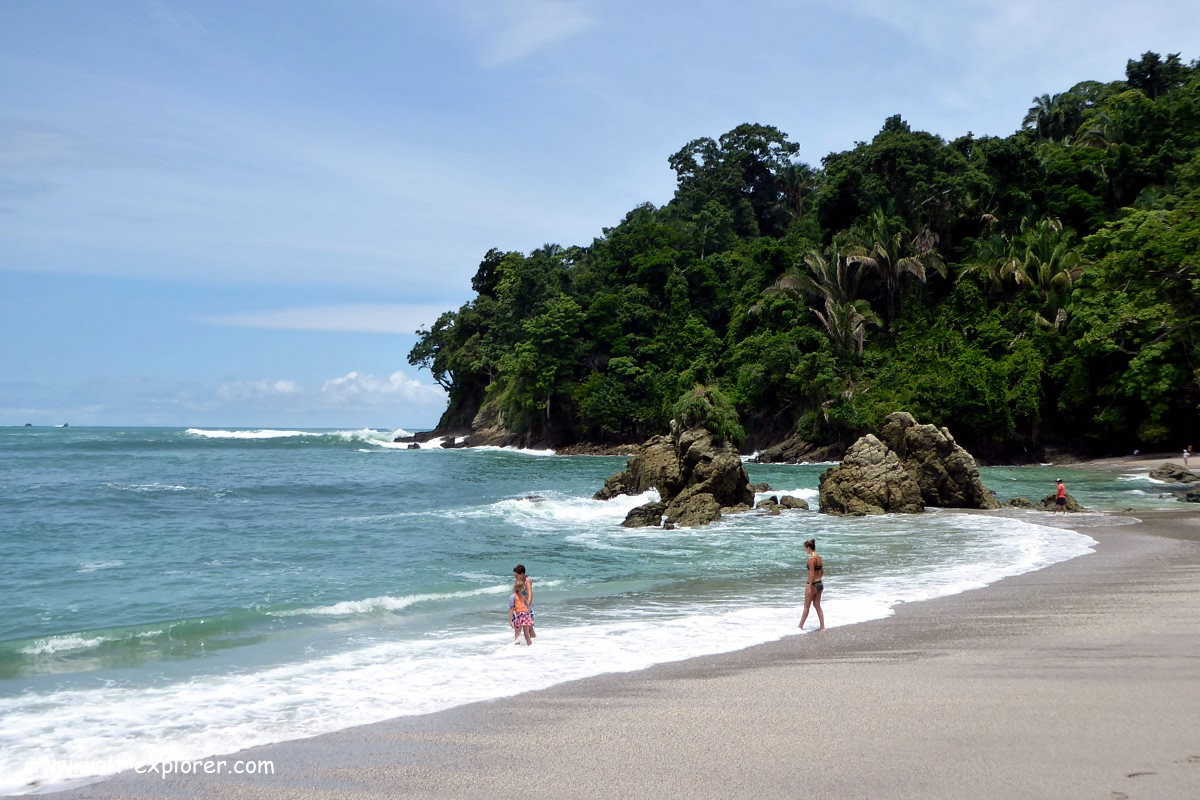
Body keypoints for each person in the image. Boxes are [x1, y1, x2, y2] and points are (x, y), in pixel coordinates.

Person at [797, 538, 825, 632]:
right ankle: (822, 626)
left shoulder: (811, 558)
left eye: (805, 549)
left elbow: (811, 573)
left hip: (813, 584)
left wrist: (809, 586)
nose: (805, 551)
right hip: (820, 584)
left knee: (806, 607)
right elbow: (822, 572)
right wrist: (818, 580)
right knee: (817, 605)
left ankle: (800, 627)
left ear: (809, 548)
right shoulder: (819, 557)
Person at [509, 579, 535, 646]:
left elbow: (511, 609)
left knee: (517, 633)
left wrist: (510, 621)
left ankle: (516, 648)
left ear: (514, 587)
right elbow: (527, 605)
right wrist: (528, 615)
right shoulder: (523, 596)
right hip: (525, 615)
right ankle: (530, 647)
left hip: (519, 616)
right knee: (527, 634)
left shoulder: (512, 597)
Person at [513, 564, 536, 638]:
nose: (515, 576)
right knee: (518, 627)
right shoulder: (518, 580)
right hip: (519, 605)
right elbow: (518, 592)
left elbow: (530, 593)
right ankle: (519, 644)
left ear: (522, 574)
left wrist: (528, 606)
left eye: (516, 575)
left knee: (529, 628)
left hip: (527, 605)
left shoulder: (527, 581)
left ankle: (534, 644)